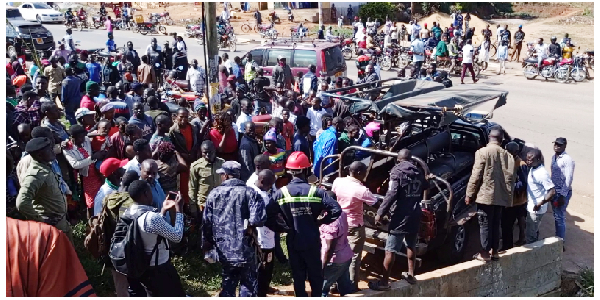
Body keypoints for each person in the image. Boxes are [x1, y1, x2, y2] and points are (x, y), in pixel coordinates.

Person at [266, 151, 342, 297]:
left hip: (293, 240)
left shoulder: (281, 193)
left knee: (298, 275)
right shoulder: (316, 192)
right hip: (312, 240)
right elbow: (336, 209)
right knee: (315, 274)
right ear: (306, 170)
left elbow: (267, 215)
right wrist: (321, 221)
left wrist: (282, 228)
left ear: (289, 171)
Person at [202, 161, 266, 297]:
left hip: (224, 250)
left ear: (225, 175)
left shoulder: (214, 194)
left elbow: (206, 223)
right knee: (248, 288)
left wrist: (206, 246)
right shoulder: (250, 192)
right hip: (246, 249)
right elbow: (258, 219)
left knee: (228, 286)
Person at [370, 149, 428, 290]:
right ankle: (411, 274)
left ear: (399, 159)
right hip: (415, 215)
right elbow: (426, 186)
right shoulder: (419, 172)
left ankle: (384, 282)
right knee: (411, 246)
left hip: (400, 217)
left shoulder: (397, 172)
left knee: (390, 250)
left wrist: (380, 213)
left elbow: (391, 194)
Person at [120, 180, 186, 296]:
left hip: (142, 267)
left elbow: (148, 230)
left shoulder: (127, 212)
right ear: (145, 194)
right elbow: (177, 236)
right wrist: (179, 210)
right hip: (159, 269)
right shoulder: (151, 218)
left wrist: (163, 210)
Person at [7, 217, 96, 297]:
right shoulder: (43, 238)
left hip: (60, 227)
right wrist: (41, 218)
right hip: (50, 230)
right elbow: (22, 202)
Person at [465, 129, 515, 262]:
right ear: (501, 140)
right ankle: (495, 251)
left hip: (485, 196)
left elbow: (476, 175)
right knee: (495, 223)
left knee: (485, 224)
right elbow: (511, 179)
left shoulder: (482, 152)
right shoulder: (507, 155)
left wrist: (469, 194)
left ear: (489, 138)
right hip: (500, 197)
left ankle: (484, 253)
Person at [16, 137, 73, 242]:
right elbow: (22, 202)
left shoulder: (47, 166)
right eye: (49, 150)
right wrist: (41, 220)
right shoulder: (35, 175)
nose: (53, 151)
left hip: (61, 222)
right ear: (39, 155)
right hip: (51, 228)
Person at [332, 161, 378, 291]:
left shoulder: (338, 181)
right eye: (364, 172)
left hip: (339, 223)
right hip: (354, 226)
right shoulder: (361, 190)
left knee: (338, 254)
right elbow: (374, 202)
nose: (365, 175)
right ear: (359, 173)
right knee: (353, 257)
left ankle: (336, 283)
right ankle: (351, 286)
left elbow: (334, 193)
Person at [63, 125, 106, 218]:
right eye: (80, 137)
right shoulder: (68, 149)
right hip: (86, 176)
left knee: (101, 195)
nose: (83, 138)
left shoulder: (85, 139)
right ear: (72, 137)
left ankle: (102, 215)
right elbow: (75, 164)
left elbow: (96, 133)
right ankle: (92, 220)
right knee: (91, 202)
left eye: (83, 136)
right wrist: (92, 158)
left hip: (96, 171)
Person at [500, 142, 528, 251]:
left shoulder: (521, 165)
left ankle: (508, 248)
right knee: (505, 225)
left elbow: (524, 183)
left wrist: (509, 187)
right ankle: (507, 246)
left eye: (509, 152)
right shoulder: (506, 161)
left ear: (515, 152)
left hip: (517, 202)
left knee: (508, 225)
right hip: (508, 200)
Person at [320, 208, 354, 297]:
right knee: (345, 287)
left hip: (334, 261)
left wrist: (322, 267)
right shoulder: (341, 213)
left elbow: (329, 248)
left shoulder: (330, 224)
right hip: (346, 255)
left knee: (321, 289)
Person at [525, 149, 556, 244]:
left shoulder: (542, 174)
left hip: (536, 209)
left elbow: (552, 191)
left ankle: (532, 253)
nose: (528, 162)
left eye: (531, 160)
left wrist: (540, 203)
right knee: (534, 230)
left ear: (538, 159)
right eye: (527, 159)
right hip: (532, 206)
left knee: (531, 235)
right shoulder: (533, 168)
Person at [189, 141, 225, 219]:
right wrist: (193, 208)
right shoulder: (196, 166)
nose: (208, 155)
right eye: (205, 153)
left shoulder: (222, 163)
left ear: (214, 150)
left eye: (210, 152)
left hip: (219, 204)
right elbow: (192, 188)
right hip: (204, 205)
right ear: (201, 152)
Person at [168, 108, 198, 205]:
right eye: (181, 117)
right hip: (181, 162)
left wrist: (194, 153)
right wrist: (182, 155)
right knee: (183, 185)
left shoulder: (192, 128)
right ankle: (184, 205)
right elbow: (172, 147)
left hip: (192, 159)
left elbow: (195, 143)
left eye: (186, 117)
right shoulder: (173, 131)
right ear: (176, 117)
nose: (184, 119)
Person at [550, 138, 575, 245]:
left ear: (564, 146)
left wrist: (562, 196)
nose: (556, 146)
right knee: (556, 216)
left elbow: (569, 178)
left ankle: (561, 242)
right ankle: (558, 237)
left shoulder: (567, 159)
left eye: (559, 145)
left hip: (561, 193)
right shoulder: (554, 157)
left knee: (560, 217)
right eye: (555, 144)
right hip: (555, 191)